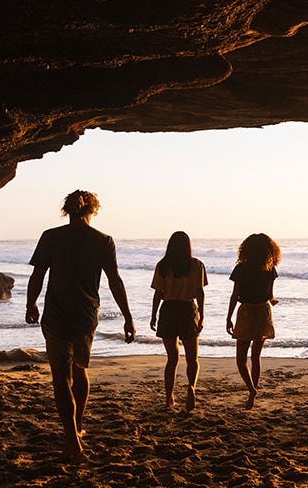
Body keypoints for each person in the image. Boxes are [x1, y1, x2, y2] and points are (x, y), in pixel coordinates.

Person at [25, 190, 136, 461]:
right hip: (86, 316)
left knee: (61, 376)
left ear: (67, 210)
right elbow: (115, 281)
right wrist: (128, 316)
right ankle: (78, 426)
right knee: (81, 370)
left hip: (57, 315)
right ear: (93, 211)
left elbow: (37, 275)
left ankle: (71, 437)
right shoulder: (103, 241)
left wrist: (31, 305)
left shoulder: (51, 237)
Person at [149, 231, 208, 413]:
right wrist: (202, 316)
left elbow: (158, 293)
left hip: (168, 310)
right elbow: (200, 292)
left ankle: (169, 397)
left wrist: (153, 315)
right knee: (193, 358)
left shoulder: (163, 265)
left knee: (172, 359)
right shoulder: (197, 265)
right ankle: (191, 386)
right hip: (187, 309)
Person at [226, 233, 280, 409]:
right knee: (256, 356)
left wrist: (228, 317)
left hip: (247, 311)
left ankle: (251, 389)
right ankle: (252, 395)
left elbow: (235, 295)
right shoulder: (270, 269)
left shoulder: (241, 269)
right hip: (263, 311)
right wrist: (272, 300)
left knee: (241, 359)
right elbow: (269, 295)